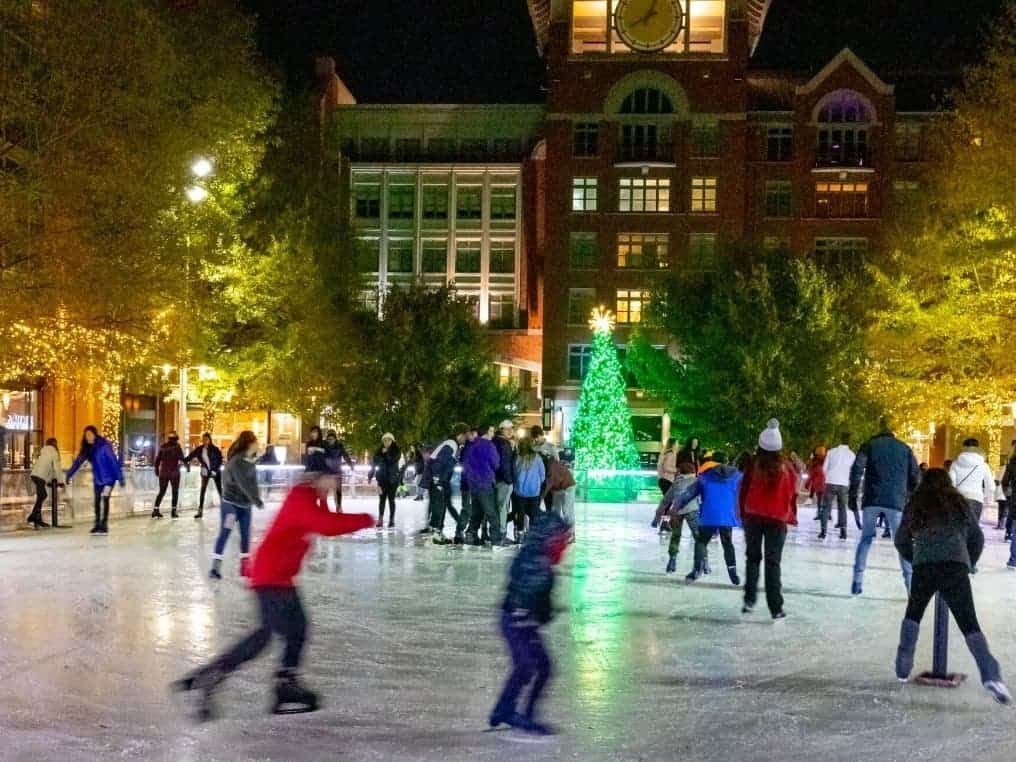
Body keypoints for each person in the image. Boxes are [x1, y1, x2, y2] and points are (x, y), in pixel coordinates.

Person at [173, 468, 374, 721]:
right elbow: (326, 525)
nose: (334, 485)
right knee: (264, 635)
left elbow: (320, 522)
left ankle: (285, 684)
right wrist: (365, 519)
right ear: (319, 476)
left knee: (298, 629)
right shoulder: (301, 497)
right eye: (332, 479)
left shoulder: (311, 498)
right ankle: (210, 677)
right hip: (269, 576)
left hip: (280, 577)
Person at [893, 468, 1011, 704]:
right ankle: (991, 674)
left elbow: (901, 539)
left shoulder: (916, 502)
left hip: (924, 566)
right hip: (955, 566)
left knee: (913, 615)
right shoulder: (958, 502)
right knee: (969, 623)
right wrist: (970, 562)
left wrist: (914, 557)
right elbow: (976, 537)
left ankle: (903, 667)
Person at [489, 512, 571, 735]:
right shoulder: (538, 564)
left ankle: (504, 710)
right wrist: (542, 611)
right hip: (517, 622)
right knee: (533, 666)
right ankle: (519, 713)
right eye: (561, 540)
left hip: (519, 621)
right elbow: (530, 597)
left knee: (532, 667)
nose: (564, 547)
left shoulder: (533, 557)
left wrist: (541, 611)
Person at [849, 417, 921, 596]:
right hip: (896, 501)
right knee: (902, 542)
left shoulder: (869, 445)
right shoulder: (904, 448)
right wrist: (911, 498)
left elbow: (857, 469)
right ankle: (911, 587)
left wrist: (852, 495)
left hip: (872, 499)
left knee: (865, 539)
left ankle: (857, 581)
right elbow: (915, 476)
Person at [739, 420, 798, 620]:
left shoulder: (753, 465)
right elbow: (791, 494)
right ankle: (776, 608)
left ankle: (749, 600)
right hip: (776, 520)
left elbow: (743, 490)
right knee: (773, 563)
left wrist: (742, 513)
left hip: (753, 517)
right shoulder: (786, 467)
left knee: (753, 559)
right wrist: (789, 515)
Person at [672, 450, 742, 585]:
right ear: (727, 461)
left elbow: (688, 494)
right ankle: (732, 573)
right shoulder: (737, 476)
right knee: (727, 543)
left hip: (709, 515)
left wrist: (675, 507)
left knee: (701, 542)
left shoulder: (705, 477)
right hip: (726, 516)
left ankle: (696, 570)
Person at [211, 431, 264, 580]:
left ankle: (245, 568)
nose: (257, 445)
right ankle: (215, 567)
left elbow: (252, 482)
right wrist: (256, 500)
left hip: (245, 505)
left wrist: (256, 497)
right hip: (231, 505)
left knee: (246, 535)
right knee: (225, 532)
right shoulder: (236, 462)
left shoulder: (250, 461)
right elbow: (243, 483)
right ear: (249, 444)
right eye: (255, 443)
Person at [66, 426, 125, 535]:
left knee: (105, 499)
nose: (87, 437)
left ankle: (104, 524)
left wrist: (120, 477)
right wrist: (69, 474)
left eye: (89, 434)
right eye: (86, 435)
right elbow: (78, 462)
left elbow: (113, 461)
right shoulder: (87, 449)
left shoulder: (104, 446)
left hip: (108, 479)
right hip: (98, 479)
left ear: (94, 434)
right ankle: (97, 524)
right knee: (97, 501)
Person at [424, 423, 470, 544]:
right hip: (437, 480)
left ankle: (438, 532)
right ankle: (435, 533)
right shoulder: (451, 444)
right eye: (465, 435)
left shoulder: (453, 445)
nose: (466, 438)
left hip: (440, 480)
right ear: (460, 435)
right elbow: (439, 462)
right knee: (438, 507)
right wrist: (437, 479)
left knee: (441, 506)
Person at [464, 424, 504, 546]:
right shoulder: (489, 446)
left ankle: (471, 534)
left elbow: (465, 464)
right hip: (485, 482)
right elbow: (496, 464)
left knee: (477, 511)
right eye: (491, 431)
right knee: (492, 512)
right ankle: (496, 539)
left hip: (473, 484)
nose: (493, 433)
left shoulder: (472, 445)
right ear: (486, 432)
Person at [660, 462, 700, 574]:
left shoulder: (676, 483)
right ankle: (703, 562)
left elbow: (666, 499)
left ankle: (672, 561)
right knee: (698, 537)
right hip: (692, 510)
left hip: (676, 512)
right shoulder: (696, 481)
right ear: (692, 472)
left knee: (675, 536)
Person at [948, 438, 995, 524]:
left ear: (963, 448)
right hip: (976, 499)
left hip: (959, 499)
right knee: (973, 529)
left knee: (960, 528)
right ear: (978, 448)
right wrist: (984, 497)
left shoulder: (955, 464)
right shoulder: (984, 465)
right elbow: (991, 486)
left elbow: (951, 483)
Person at [822, 433, 857, 540]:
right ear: (849, 441)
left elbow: (824, 468)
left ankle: (823, 531)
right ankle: (843, 532)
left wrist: (829, 476)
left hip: (830, 482)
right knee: (842, 508)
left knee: (826, 507)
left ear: (840, 440)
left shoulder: (831, 452)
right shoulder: (852, 455)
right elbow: (853, 471)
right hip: (844, 484)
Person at [512, 437, 546, 543]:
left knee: (520, 513)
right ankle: (531, 535)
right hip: (534, 491)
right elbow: (542, 475)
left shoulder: (518, 458)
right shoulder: (537, 458)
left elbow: (514, 473)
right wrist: (537, 483)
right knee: (533, 514)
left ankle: (520, 534)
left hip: (520, 490)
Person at [184, 432, 223, 520]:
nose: (205, 441)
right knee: (202, 490)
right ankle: (200, 511)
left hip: (215, 472)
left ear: (210, 440)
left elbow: (220, 460)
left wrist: (215, 470)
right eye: (204, 439)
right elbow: (190, 456)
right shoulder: (199, 449)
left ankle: (226, 510)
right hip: (205, 471)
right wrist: (182, 460)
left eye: (207, 439)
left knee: (220, 490)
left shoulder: (215, 449)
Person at [368, 433, 401, 528]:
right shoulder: (379, 451)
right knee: (382, 500)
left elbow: (392, 460)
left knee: (391, 500)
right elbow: (374, 464)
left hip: (392, 480)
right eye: (385, 440)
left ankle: (391, 519)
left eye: (389, 440)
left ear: (392, 441)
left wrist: (386, 453)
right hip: (381, 479)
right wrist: (370, 475)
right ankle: (380, 519)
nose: (386, 442)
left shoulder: (396, 451)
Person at [28, 438, 63, 528]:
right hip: (40, 476)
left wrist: (49, 479)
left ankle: (37, 518)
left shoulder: (44, 451)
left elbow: (48, 467)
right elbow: (56, 467)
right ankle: (33, 516)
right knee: (43, 495)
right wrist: (61, 480)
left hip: (35, 475)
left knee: (41, 496)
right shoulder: (54, 452)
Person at [542, 448, 576, 540]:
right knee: (555, 510)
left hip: (567, 487)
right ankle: (557, 533)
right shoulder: (551, 462)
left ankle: (571, 534)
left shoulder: (551, 465)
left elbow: (549, 482)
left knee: (567, 510)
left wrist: (540, 498)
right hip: (558, 488)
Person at [153, 431, 186, 519]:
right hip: (174, 473)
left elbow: (157, 460)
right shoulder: (177, 446)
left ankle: (156, 510)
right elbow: (182, 458)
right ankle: (173, 511)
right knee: (175, 492)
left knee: (162, 491)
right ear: (176, 438)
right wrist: (187, 465)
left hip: (163, 473)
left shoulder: (163, 446)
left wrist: (156, 469)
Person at [454, 427, 479, 544]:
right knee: (468, 509)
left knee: (472, 509)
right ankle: (460, 531)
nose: (473, 436)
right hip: (469, 484)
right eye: (471, 434)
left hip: (471, 484)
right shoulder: (469, 448)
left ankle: (467, 531)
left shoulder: (471, 447)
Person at [494, 420, 516, 540]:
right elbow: (505, 464)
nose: (510, 431)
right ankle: (501, 533)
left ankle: (492, 532)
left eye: (511, 429)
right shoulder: (504, 444)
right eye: (508, 429)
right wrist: (509, 480)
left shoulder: (494, 441)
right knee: (503, 508)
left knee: (496, 507)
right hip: (503, 481)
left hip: (494, 479)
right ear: (502, 430)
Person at [322, 430, 353, 509]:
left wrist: (350, 464)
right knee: (326, 490)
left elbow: (345, 455)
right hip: (328, 472)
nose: (330, 440)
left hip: (335, 472)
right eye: (329, 439)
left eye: (332, 439)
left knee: (337, 490)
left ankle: (338, 506)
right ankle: (328, 507)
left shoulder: (339, 445)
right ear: (327, 438)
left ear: (335, 438)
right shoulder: (324, 445)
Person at [653, 438, 678, 530]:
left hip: (662, 479)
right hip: (667, 479)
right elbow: (667, 467)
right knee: (668, 503)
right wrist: (677, 470)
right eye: (676, 444)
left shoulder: (664, 453)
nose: (677, 445)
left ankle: (659, 521)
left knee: (666, 502)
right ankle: (663, 523)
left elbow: (660, 466)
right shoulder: (671, 454)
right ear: (673, 445)